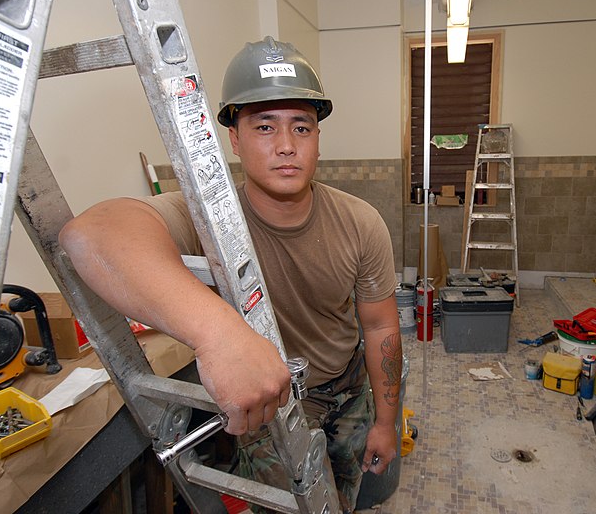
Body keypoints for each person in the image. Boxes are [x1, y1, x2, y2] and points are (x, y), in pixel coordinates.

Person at [59, 36, 402, 514]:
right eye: (265, 127)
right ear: (235, 139)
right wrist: (218, 335)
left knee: (341, 500)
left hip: (347, 393)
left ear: (318, 138)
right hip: (272, 406)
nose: (286, 146)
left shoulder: (360, 223)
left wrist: (386, 422)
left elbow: (381, 327)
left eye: (301, 127)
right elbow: (90, 233)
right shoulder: (209, 220)